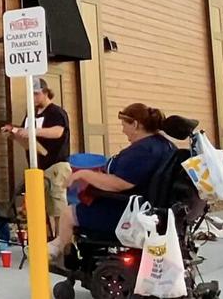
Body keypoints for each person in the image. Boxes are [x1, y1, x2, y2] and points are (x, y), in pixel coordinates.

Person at [48, 103, 175, 259]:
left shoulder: (142, 151)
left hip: (127, 213)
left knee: (69, 213)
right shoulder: (165, 145)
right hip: (151, 208)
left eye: (124, 125)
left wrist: (84, 174)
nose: (123, 130)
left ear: (135, 124)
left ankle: (63, 255)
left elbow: (119, 183)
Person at [1, 77, 71, 231]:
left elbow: (58, 131)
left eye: (36, 94)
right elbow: (25, 132)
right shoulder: (31, 113)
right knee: (38, 206)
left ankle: (61, 240)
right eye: (31, 95)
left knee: (57, 206)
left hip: (55, 164)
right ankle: (45, 236)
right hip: (38, 165)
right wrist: (14, 131)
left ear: (46, 93)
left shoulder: (56, 112)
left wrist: (32, 131)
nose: (33, 98)